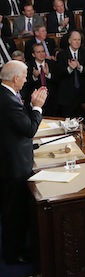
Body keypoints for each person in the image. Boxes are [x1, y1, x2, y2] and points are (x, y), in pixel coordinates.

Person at [0, 60, 47, 265]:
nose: (27, 79)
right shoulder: (7, 100)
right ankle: (12, 254)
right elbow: (29, 129)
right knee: (14, 213)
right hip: (13, 166)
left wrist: (29, 106)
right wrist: (37, 108)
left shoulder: (7, 95)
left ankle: (18, 248)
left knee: (17, 211)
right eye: (25, 76)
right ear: (16, 78)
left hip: (14, 161)